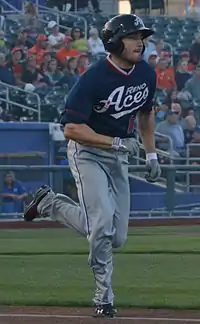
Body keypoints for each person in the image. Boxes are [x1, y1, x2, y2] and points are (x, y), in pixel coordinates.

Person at [24, 14, 161, 317]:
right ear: (114, 42)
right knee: (100, 225)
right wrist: (114, 143)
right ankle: (104, 296)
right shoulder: (94, 77)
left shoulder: (146, 74)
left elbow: (146, 112)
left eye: (142, 36)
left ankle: (50, 204)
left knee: (116, 237)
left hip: (118, 157)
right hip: (87, 153)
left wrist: (151, 153)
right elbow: (71, 128)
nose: (140, 41)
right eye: (132, 36)